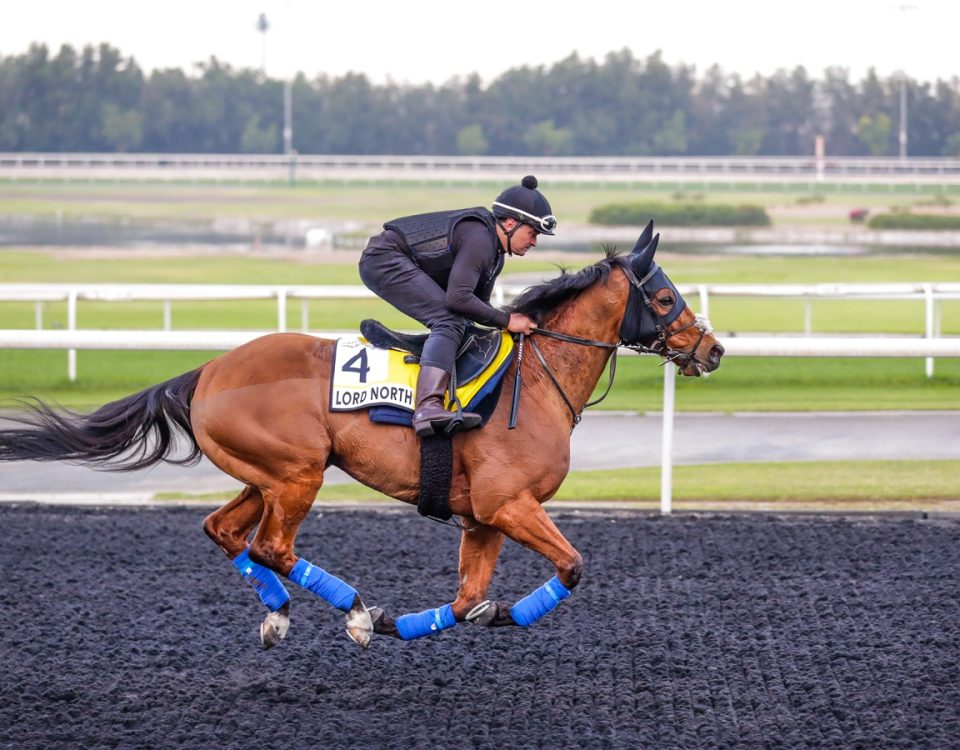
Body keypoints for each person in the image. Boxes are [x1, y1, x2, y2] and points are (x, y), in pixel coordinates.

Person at [359, 174, 557, 437]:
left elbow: (477, 306)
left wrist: (514, 317)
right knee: (448, 320)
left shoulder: (496, 255)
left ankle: (428, 360)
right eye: (532, 233)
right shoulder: (481, 240)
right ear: (510, 223)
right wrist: (508, 321)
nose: (534, 242)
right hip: (384, 259)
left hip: (399, 259)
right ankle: (427, 406)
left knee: (458, 321)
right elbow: (458, 299)